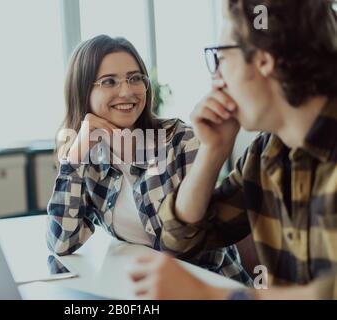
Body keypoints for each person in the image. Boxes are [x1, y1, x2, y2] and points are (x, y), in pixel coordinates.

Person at [129, 0, 337, 299]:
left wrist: (210, 295)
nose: (217, 80)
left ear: (264, 59)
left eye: (221, 58)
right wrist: (213, 151)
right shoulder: (266, 155)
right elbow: (178, 240)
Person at [46, 35, 251, 285]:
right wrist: (74, 158)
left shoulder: (182, 141)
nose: (126, 91)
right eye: (109, 81)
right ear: (82, 91)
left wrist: (134, 159)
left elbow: (192, 250)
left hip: (210, 288)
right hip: (148, 289)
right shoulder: (89, 156)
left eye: (134, 78)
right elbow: (62, 242)